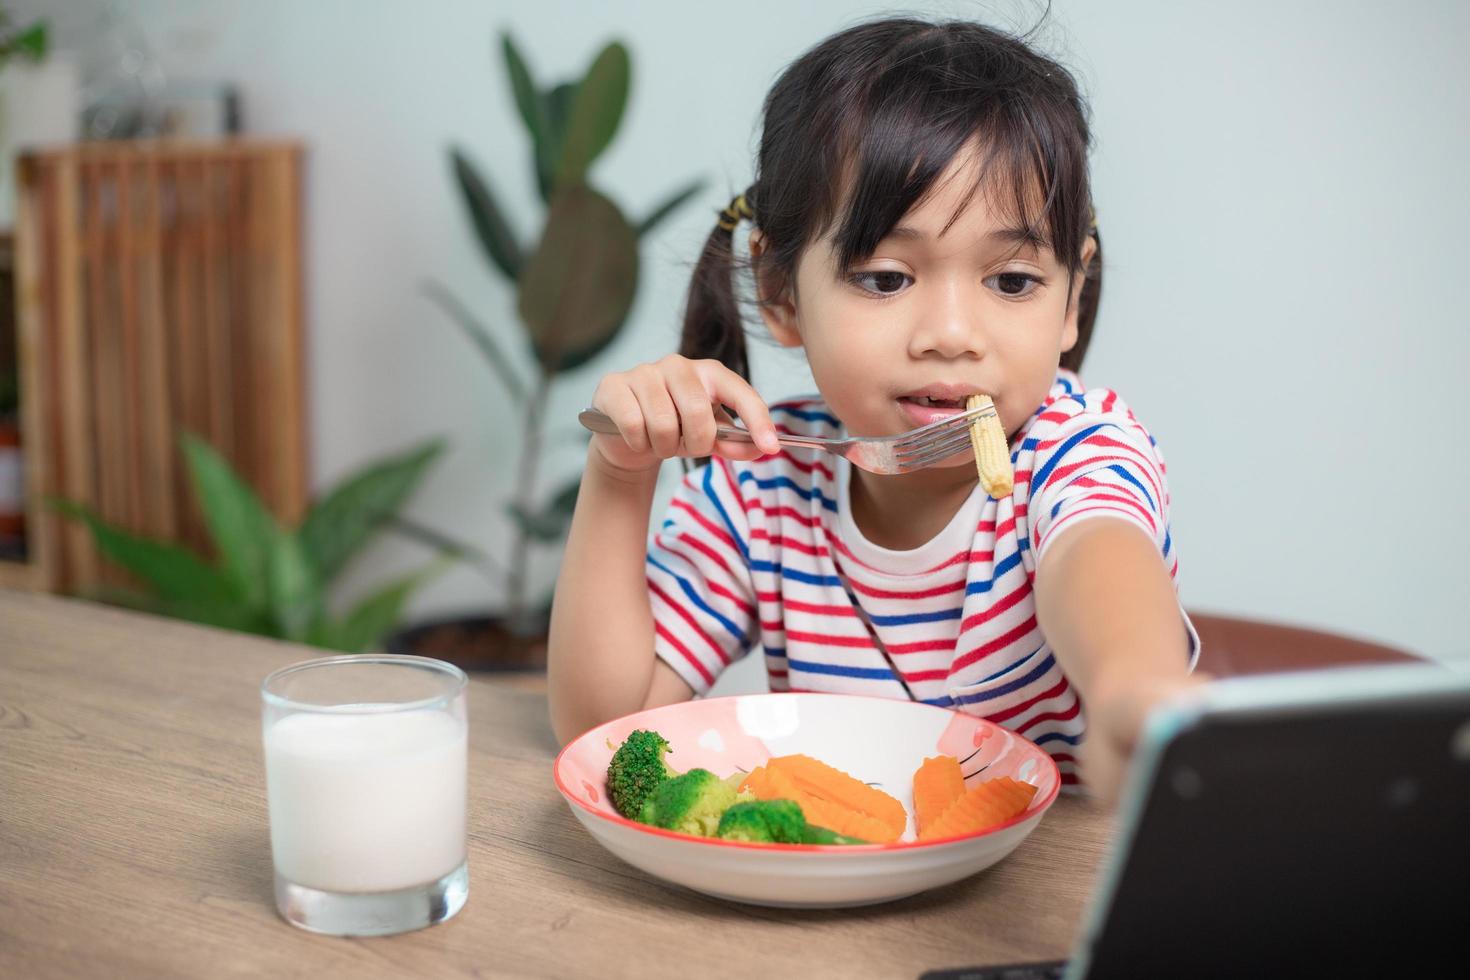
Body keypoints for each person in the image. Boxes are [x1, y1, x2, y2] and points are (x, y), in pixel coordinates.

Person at [548, 16, 1205, 801]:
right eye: (888, 278)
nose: (953, 335)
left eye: (1014, 282)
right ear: (782, 291)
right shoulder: (765, 480)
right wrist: (620, 474)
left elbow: (1096, 557)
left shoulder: (1079, 447)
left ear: (1072, 297)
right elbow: (606, 729)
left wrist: (1133, 685)